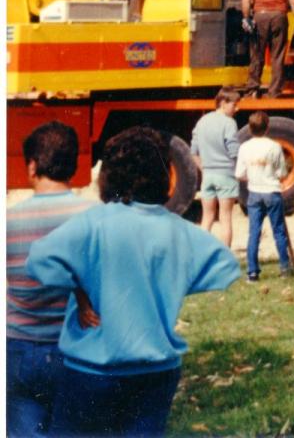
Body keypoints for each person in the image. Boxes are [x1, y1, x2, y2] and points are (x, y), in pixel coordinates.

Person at [25, 126, 239, 438]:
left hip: (92, 368)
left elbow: (39, 262)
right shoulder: (177, 229)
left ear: (108, 175)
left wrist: (79, 289)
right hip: (156, 373)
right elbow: (224, 264)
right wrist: (172, 282)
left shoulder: (93, 223)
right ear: (163, 175)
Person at [7, 122, 94, 438]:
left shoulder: (9, 220)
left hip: (19, 346)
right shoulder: (95, 217)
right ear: (73, 164)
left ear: (32, 165)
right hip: (78, 346)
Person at [235, 111, 293, 280]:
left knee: (254, 233)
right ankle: (284, 268)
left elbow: (239, 173)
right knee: (279, 232)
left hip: (254, 192)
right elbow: (282, 172)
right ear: (268, 127)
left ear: (250, 128)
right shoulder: (274, 146)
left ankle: (252, 272)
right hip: (272, 192)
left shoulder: (245, 147)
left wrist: (252, 176)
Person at [191, 87, 240, 250]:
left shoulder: (202, 121)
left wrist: (204, 169)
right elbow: (234, 151)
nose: (237, 108)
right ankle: (226, 255)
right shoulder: (229, 123)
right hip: (226, 174)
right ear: (223, 103)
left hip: (208, 176)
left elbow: (194, 152)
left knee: (207, 218)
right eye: (235, 104)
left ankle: (200, 254)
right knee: (225, 218)